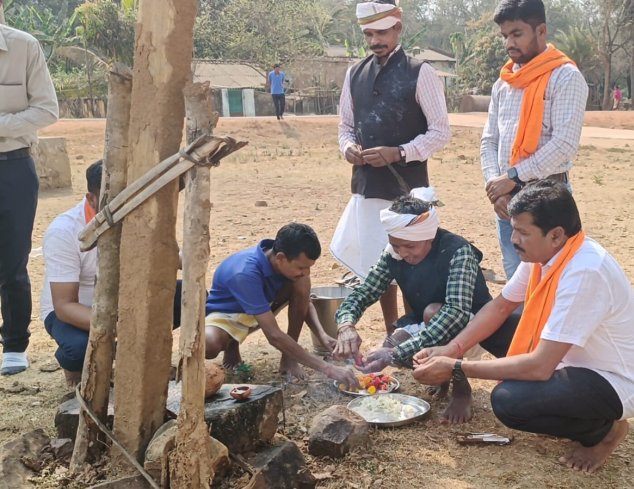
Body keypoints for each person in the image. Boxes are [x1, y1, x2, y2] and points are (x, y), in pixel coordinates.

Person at [413, 180, 634, 473]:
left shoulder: (585, 271)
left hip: (616, 380)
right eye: (513, 229)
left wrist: (456, 367)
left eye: (523, 232)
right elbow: (500, 306)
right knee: (491, 324)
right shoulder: (543, 254)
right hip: (567, 357)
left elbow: (541, 366)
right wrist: (452, 348)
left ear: (556, 235)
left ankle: (604, 433)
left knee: (509, 403)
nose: (513, 239)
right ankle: (561, 408)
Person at [331, 0, 451, 333]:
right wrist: (348, 148)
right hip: (368, 187)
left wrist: (399, 152)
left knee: (413, 263)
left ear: (398, 28)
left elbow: (440, 132)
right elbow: (345, 126)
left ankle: (415, 331)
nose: (374, 41)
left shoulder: (420, 72)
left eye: (381, 32)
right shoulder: (354, 73)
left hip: (407, 188)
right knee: (378, 265)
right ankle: (391, 333)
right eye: (368, 33)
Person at [332, 189, 493, 423]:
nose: (403, 253)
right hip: (431, 322)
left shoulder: (458, 252)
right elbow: (365, 292)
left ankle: (461, 389)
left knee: (430, 316)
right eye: (396, 246)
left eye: (409, 247)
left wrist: (395, 354)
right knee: (393, 342)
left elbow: (455, 315)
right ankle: (442, 377)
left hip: (474, 328)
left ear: (428, 237)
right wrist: (346, 325)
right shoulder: (395, 252)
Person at [40, 161, 183, 386]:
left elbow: (178, 260)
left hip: (124, 304)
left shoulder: (138, 214)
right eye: (113, 201)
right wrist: (123, 329)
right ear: (91, 199)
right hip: (74, 310)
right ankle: (76, 368)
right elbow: (64, 306)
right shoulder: (63, 231)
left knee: (189, 296)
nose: (122, 208)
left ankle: (130, 356)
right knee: (78, 351)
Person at [480, 0, 587, 280]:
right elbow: (489, 141)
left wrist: (513, 177)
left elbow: (564, 145)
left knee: (555, 282)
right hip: (507, 204)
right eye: (504, 36)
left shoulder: (565, 77)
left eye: (517, 34)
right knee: (518, 284)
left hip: (548, 202)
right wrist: (496, 186)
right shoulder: (504, 82)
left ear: (541, 30)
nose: (508, 44)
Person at [205, 223, 357, 388]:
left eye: (309, 267)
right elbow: (274, 335)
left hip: (262, 308)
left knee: (302, 282)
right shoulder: (245, 273)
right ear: (281, 258)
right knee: (210, 344)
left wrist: (322, 335)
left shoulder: (281, 263)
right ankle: (231, 344)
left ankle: (288, 358)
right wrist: (327, 369)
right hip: (228, 314)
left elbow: (305, 303)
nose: (307, 272)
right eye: (301, 266)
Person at [0, 19, 59, 375]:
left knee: (13, 260)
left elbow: (47, 109)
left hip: (13, 167)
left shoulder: (24, 46)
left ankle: (15, 345)